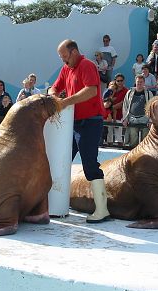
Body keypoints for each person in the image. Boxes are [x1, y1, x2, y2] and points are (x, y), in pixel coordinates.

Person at [48, 39, 109, 223]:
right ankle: (54, 202)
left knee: (90, 164)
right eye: (61, 58)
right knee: (61, 161)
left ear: (74, 52)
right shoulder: (66, 68)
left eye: (65, 57)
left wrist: (65, 102)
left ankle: (102, 210)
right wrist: (53, 96)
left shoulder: (87, 65)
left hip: (91, 122)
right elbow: (55, 87)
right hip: (72, 125)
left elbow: (91, 91)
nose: (63, 61)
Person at [122, 74, 153, 148]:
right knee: (133, 140)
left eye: (141, 82)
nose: (139, 83)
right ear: (135, 82)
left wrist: (150, 120)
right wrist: (125, 119)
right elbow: (125, 106)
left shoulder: (149, 93)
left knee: (145, 141)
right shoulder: (129, 93)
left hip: (145, 119)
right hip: (133, 119)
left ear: (144, 83)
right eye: (138, 82)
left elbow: (152, 108)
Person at [111, 73, 128, 145]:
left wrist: (110, 108)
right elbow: (107, 100)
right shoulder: (112, 90)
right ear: (115, 81)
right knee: (109, 137)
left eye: (121, 80)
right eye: (118, 81)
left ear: (124, 81)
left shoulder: (126, 91)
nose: (120, 82)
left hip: (120, 116)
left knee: (119, 139)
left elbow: (123, 103)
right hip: (110, 116)